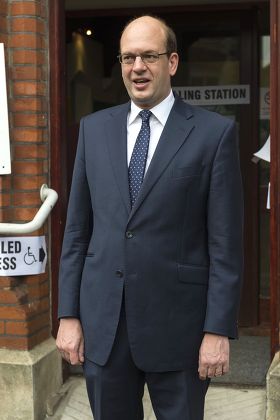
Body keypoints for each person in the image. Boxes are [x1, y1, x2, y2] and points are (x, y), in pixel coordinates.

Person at [56, 15, 243, 420]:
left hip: (180, 332)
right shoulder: (92, 130)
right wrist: (68, 315)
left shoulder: (213, 134)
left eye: (149, 56)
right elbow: (76, 232)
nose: (137, 67)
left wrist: (217, 330)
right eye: (128, 57)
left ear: (172, 63)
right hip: (104, 329)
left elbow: (225, 244)